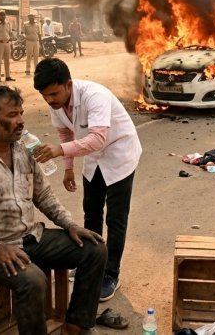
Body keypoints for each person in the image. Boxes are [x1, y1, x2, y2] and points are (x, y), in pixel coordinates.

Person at [0, 85, 108, 335]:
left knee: (95, 249)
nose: (20, 121)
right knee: (33, 281)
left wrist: (70, 225)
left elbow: (42, 195)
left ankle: (76, 326)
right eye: (11, 115)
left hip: (32, 238)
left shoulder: (23, 149)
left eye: (21, 113)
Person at [32, 58, 142, 301]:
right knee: (91, 212)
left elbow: (98, 140)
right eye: (45, 96)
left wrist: (61, 151)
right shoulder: (56, 101)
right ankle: (91, 261)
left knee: (115, 219)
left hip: (118, 152)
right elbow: (64, 131)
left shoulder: (95, 96)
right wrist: (68, 168)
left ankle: (111, 273)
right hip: (92, 156)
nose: (50, 100)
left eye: (54, 93)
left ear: (68, 84)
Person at [0, 11, 14, 82]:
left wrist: (11, 38)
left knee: (7, 61)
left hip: (7, 43)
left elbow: (10, 33)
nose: (3, 17)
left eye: (4, 15)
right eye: (1, 15)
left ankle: (7, 76)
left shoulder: (8, 23)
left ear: (5, 16)